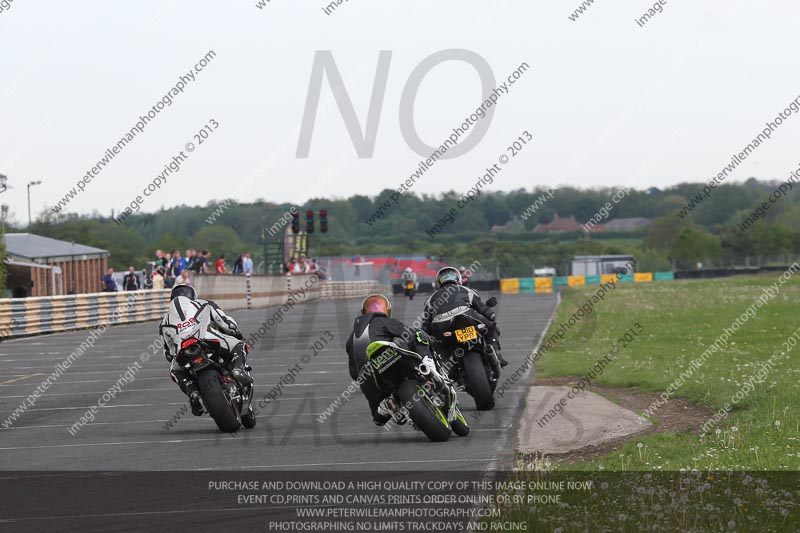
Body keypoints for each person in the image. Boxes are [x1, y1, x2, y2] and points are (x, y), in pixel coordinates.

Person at [159, 284, 253, 416]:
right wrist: (236, 333)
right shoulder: (204, 304)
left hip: (183, 350)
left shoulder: (164, 322)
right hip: (207, 338)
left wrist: (174, 354)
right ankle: (238, 369)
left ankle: (192, 392)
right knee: (238, 345)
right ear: (192, 296)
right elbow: (227, 324)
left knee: (175, 370)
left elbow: (168, 353)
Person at [345, 294, 436, 426]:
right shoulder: (383, 321)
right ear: (386, 310)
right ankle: (427, 363)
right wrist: (430, 340)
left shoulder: (350, 339)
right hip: (392, 360)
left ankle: (386, 406)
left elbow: (354, 374)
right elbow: (409, 334)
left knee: (379, 418)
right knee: (417, 334)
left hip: (368, 378)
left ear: (363, 312)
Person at [422, 266, 507, 368]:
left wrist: (426, 337)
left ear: (439, 282)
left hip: (442, 326)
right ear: (458, 279)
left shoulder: (430, 300)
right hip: (466, 314)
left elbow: (425, 326)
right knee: (491, 327)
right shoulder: (466, 290)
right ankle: (496, 353)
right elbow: (482, 308)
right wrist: (490, 314)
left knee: (436, 348)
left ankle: (442, 372)